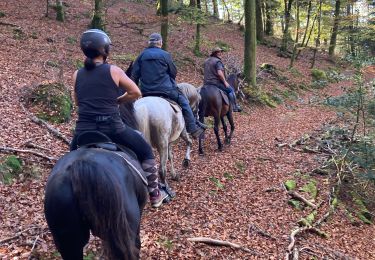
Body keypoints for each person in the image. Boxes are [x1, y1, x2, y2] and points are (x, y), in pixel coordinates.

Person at [70, 29, 169, 208]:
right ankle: (155, 193)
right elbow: (136, 92)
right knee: (146, 150)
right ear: (105, 50)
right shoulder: (114, 71)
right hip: (112, 129)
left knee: (68, 160)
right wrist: (118, 100)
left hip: (83, 131)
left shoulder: (77, 74)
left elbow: (77, 102)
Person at [131, 33, 206, 138]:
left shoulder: (141, 56)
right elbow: (173, 72)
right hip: (166, 90)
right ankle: (192, 128)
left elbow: (134, 76)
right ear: (160, 43)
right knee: (184, 102)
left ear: (149, 43)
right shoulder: (165, 55)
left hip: (146, 91)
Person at [203, 47, 242, 112]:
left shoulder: (206, 61)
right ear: (214, 53)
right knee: (231, 90)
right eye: (218, 52)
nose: (220, 53)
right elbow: (220, 73)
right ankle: (234, 106)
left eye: (221, 52)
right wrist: (225, 82)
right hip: (215, 83)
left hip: (206, 83)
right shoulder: (217, 61)